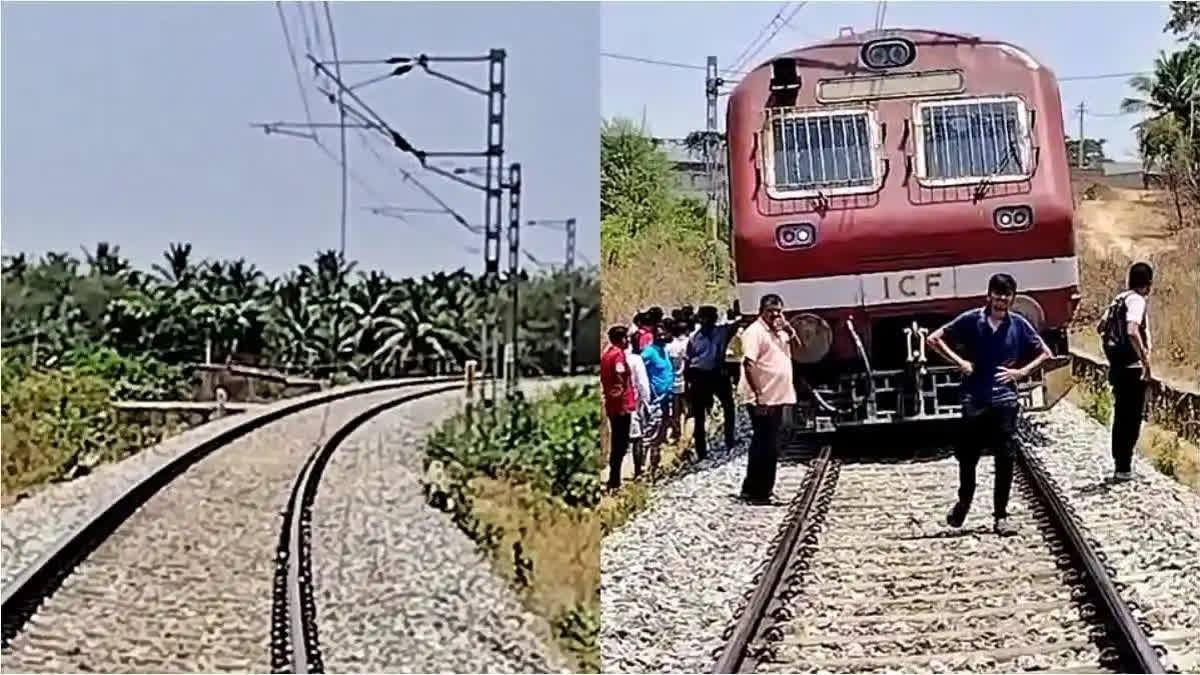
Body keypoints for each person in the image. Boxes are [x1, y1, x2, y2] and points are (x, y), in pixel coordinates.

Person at [926, 273, 1053, 536]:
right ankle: (964, 502)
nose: (1001, 301)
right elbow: (934, 338)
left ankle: (1001, 515)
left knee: (1005, 456)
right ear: (989, 296)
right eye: (997, 296)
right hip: (974, 398)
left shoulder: (1018, 324)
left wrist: (1021, 373)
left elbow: (1046, 353)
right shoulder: (972, 320)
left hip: (1005, 400)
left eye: (1006, 297)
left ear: (1012, 299)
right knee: (968, 457)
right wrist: (959, 362)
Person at [738, 295, 803, 504]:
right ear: (761, 311)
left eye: (778, 310)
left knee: (764, 443)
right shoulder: (755, 333)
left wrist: (790, 330)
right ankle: (762, 492)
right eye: (770, 311)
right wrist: (759, 396)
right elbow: (748, 364)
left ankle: (752, 489)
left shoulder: (779, 332)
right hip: (763, 398)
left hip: (776, 396)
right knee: (767, 446)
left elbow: (800, 350)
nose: (775, 314)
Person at [1100, 262, 1154, 482]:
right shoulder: (1137, 301)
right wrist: (1145, 360)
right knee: (1131, 419)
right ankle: (1124, 468)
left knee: (1121, 416)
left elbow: (1100, 327)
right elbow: (1132, 330)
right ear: (1148, 284)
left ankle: (1120, 466)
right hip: (1132, 369)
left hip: (1118, 368)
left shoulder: (1118, 300)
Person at [685, 306, 741, 459]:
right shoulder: (708, 334)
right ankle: (705, 449)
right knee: (705, 414)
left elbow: (738, 323)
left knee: (726, 407)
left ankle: (726, 442)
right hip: (703, 375)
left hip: (712, 374)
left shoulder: (716, 332)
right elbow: (688, 360)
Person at [601, 325, 636, 491]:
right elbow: (620, 378)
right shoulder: (618, 356)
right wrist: (624, 402)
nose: (628, 341)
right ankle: (615, 480)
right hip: (620, 404)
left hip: (612, 403)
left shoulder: (606, 354)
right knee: (620, 444)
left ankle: (614, 478)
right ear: (621, 339)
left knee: (617, 441)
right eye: (626, 338)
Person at [641, 324, 676, 473]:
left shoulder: (664, 351)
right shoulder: (649, 352)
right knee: (650, 434)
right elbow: (637, 367)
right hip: (655, 400)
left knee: (660, 435)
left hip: (666, 399)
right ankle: (640, 467)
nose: (663, 337)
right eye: (660, 334)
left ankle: (654, 466)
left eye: (665, 334)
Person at [626, 336, 652, 479]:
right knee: (637, 438)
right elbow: (642, 384)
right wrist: (647, 404)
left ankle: (614, 475)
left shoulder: (608, 356)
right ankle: (637, 471)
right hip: (632, 404)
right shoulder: (635, 359)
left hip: (614, 406)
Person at [665, 319, 690, 443]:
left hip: (672, 383)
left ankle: (676, 432)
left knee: (675, 410)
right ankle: (686, 433)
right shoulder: (688, 343)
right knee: (687, 409)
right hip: (685, 381)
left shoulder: (668, 347)